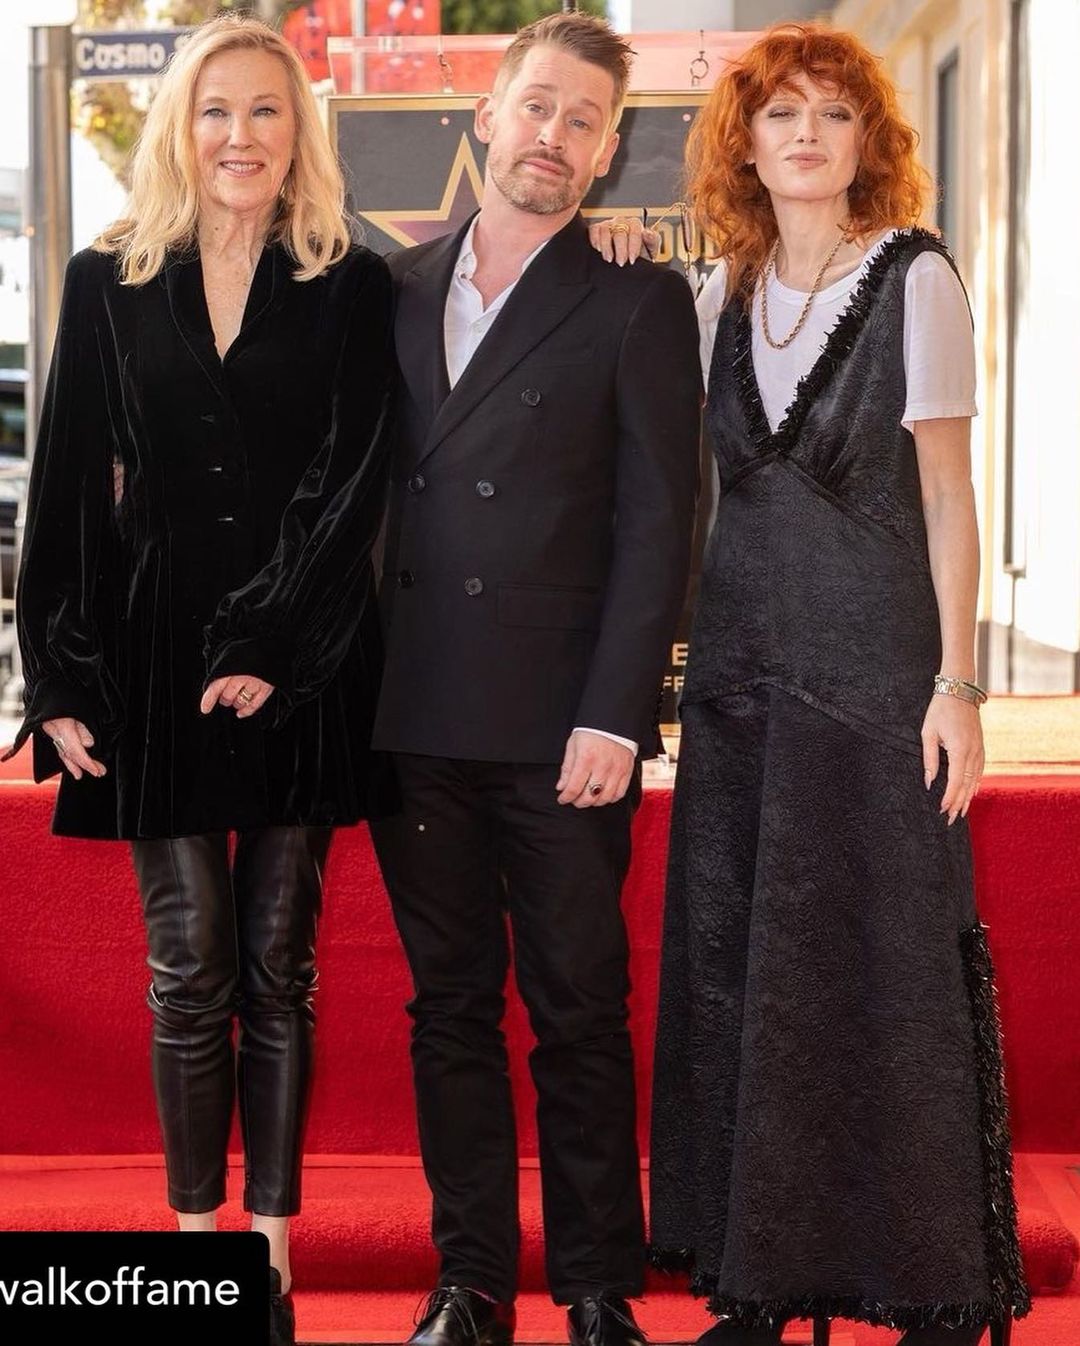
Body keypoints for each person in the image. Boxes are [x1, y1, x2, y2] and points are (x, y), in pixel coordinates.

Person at [590, 21, 1029, 1346]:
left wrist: (959, 685)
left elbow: (951, 500)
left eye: (833, 116)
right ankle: (762, 1282)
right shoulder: (722, 293)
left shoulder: (916, 280)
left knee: (884, 961)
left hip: (876, 671)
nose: (804, 136)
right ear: (745, 142)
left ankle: (930, 1287)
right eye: (780, 115)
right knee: (745, 967)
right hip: (740, 678)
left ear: (867, 143)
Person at [5, 15, 393, 1344]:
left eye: (267, 113)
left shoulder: (350, 285)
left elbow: (351, 494)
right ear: (181, 126)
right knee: (189, 968)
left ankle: (269, 1262)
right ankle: (195, 1261)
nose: (240, 134)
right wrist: (52, 667)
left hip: (306, 663)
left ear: (300, 137)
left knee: (279, 968)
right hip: (149, 664)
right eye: (216, 110)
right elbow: (62, 484)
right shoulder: (107, 277)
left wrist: (270, 646)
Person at [367, 13, 701, 1346]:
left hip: (567, 724)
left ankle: (597, 1285)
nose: (555, 139)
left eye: (585, 123)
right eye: (539, 108)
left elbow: (659, 521)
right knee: (447, 1005)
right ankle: (472, 1281)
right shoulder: (384, 288)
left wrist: (621, 710)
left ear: (609, 154)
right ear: (487, 116)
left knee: (577, 1004)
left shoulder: (634, 295)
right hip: (411, 714)